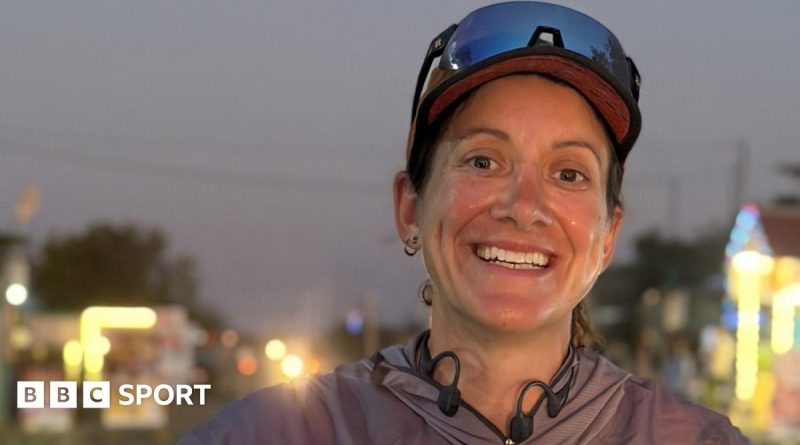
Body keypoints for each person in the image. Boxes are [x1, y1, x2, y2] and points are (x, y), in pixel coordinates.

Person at [179, 2, 750, 444]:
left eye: (569, 174)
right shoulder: (280, 432)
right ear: (409, 206)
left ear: (608, 236)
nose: (523, 207)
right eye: (483, 161)